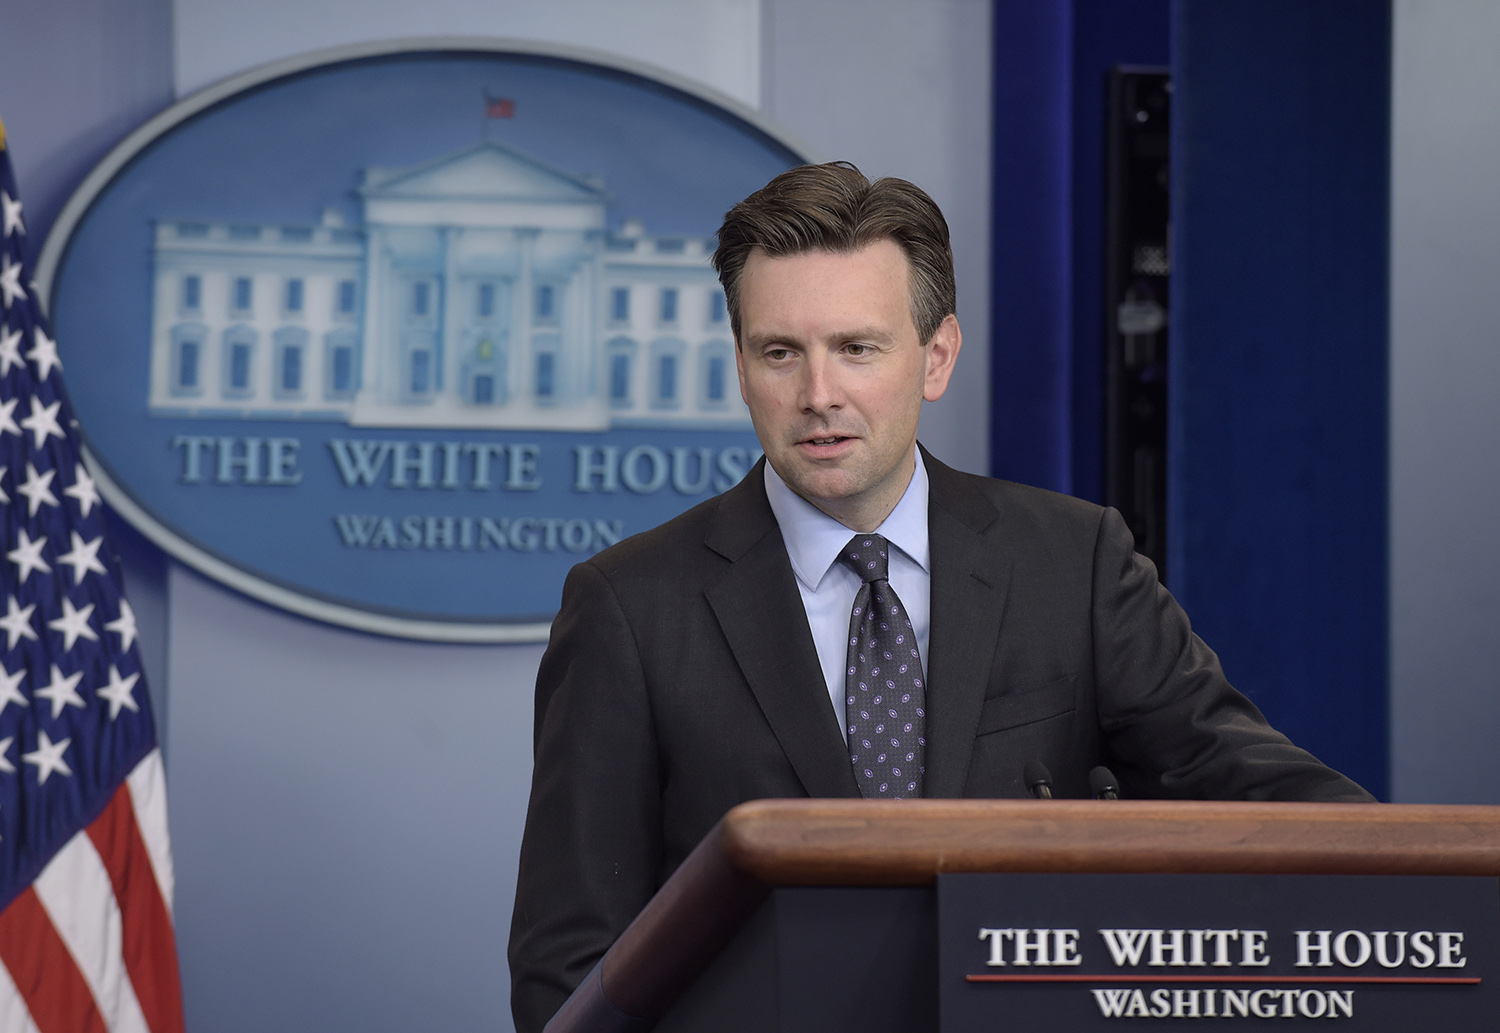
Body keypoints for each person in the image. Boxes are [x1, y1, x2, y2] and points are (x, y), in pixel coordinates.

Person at [507, 162, 1371, 1032]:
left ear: (938, 356)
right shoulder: (629, 608)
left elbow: (1255, 790)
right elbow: (571, 966)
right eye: (780, 352)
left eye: (857, 348)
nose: (818, 395)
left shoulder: (1075, 562)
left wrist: (1419, 882)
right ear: (740, 366)